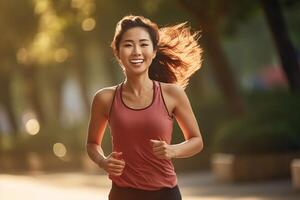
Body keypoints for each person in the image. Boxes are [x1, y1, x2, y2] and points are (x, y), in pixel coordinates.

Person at [86, 15, 203, 200]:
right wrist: (103, 161)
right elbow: (92, 143)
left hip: (166, 193)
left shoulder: (172, 94)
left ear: (154, 51)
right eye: (128, 45)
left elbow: (196, 140)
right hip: (122, 194)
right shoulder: (104, 98)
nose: (136, 51)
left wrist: (173, 150)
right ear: (117, 52)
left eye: (143, 44)